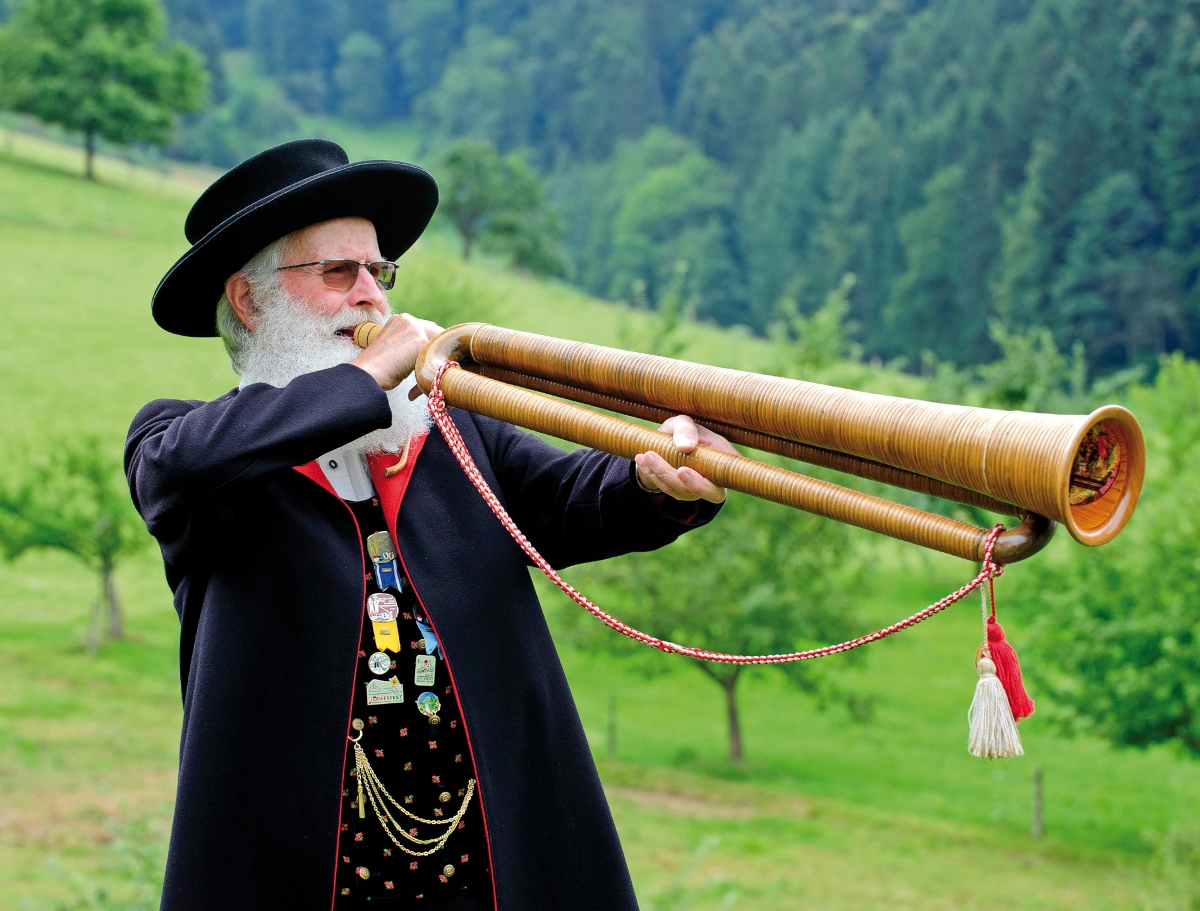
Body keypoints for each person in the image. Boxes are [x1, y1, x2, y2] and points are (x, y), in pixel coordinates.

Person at [125, 139, 736, 911]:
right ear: (248, 301)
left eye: (378, 274)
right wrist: (369, 378)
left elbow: (567, 495)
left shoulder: (447, 425)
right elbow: (183, 468)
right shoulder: (188, 446)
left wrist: (654, 480)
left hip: (485, 865)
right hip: (303, 875)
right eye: (338, 273)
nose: (371, 299)